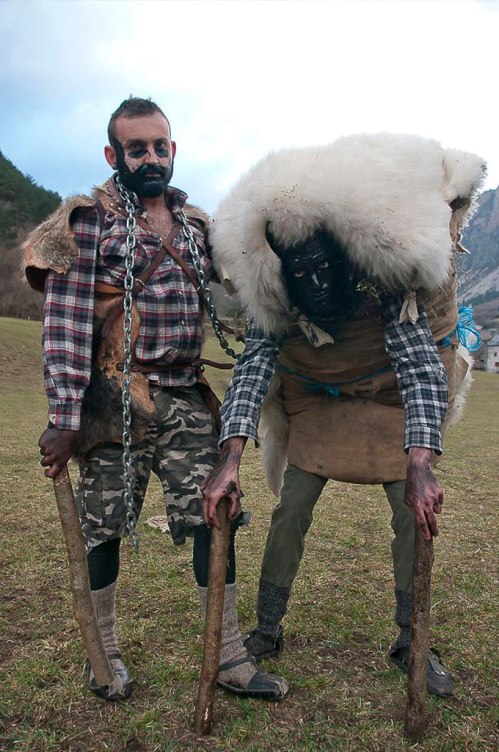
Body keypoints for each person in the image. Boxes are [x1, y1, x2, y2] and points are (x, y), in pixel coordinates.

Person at [23, 96, 288, 701]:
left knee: (217, 515)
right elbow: (64, 324)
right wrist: (65, 416)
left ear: (173, 150)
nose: (151, 157)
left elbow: (249, 278)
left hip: (187, 392)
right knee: (103, 525)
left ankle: (229, 656)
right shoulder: (86, 222)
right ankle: (103, 652)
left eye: (159, 146)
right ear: (113, 154)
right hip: (114, 393)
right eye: (136, 148)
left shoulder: (197, 225)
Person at [201, 133, 485, 698]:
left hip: (386, 408)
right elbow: (253, 370)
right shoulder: (276, 294)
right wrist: (229, 457)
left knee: (413, 516)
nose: (313, 282)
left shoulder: (381, 278)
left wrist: (421, 463)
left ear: (340, 255)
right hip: (319, 408)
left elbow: (419, 368)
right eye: (298, 270)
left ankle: (412, 639)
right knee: (290, 510)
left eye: (321, 266)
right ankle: (267, 627)